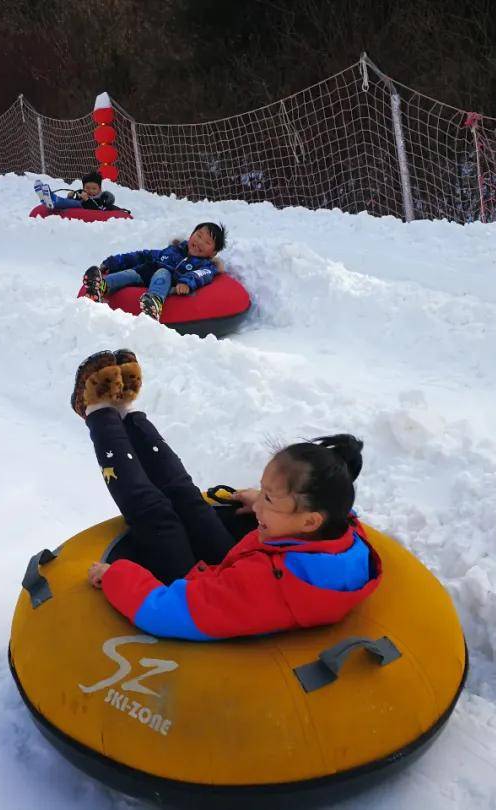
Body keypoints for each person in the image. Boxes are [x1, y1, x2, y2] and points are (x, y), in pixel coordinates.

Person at [71, 349, 380, 641]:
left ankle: (98, 414)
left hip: (199, 587)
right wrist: (262, 499)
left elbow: (166, 614)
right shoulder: (340, 533)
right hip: (236, 565)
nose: (260, 503)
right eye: (265, 491)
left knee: (155, 514)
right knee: (186, 496)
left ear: (310, 520)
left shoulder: (267, 589)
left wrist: (116, 576)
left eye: (269, 499)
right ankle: (127, 414)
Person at [82, 223, 227, 320]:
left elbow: (201, 275)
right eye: (199, 235)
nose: (200, 242)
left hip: (167, 283)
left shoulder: (206, 265)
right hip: (145, 273)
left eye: (207, 242)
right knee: (130, 273)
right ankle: (100, 286)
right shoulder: (172, 251)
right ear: (191, 236)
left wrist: (186, 282)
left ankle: (154, 302)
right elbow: (142, 255)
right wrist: (113, 262)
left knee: (163, 272)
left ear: (213, 253)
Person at [34, 171, 120, 211]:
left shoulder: (100, 198)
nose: (90, 191)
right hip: (77, 207)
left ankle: (53, 200)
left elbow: (96, 209)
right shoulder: (81, 193)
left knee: (76, 203)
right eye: (87, 188)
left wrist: (87, 200)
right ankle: (46, 197)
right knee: (72, 202)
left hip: (83, 209)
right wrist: (71, 196)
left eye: (94, 189)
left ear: (100, 189)